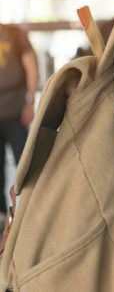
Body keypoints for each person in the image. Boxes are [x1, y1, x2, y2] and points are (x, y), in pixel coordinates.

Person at [0, 21, 38, 232]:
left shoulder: (14, 35)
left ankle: (30, 211)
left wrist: (31, 101)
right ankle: (1, 217)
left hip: (15, 110)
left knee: (24, 164)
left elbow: (30, 65)